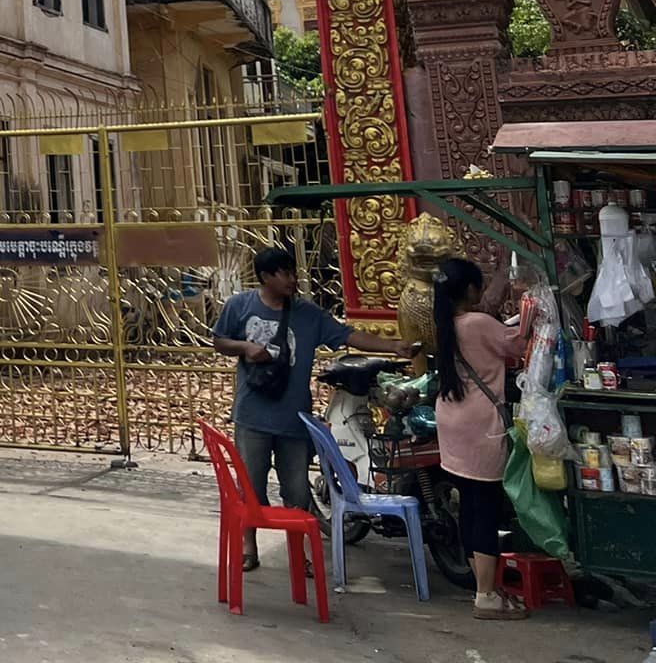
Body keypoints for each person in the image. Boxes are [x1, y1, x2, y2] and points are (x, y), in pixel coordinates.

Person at [210, 245, 419, 572]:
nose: (292, 279)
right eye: (285, 274)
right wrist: (245, 347)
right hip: (252, 416)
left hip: (294, 418)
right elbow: (219, 341)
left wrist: (393, 346)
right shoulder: (240, 306)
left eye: (293, 272)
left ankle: (301, 556)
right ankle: (249, 547)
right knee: (250, 486)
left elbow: (348, 336)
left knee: (297, 491)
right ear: (265, 277)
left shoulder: (307, 314)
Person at [433, 255, 534, 620]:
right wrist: (532, 311)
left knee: (471, 505)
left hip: (452, 420)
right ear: (469, 289)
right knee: (486, 508)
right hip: (480, 424)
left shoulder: (447, 323)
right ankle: (486, 596)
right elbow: (518, 345)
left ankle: (484, 588)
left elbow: (494, 331)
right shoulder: (478, 323)